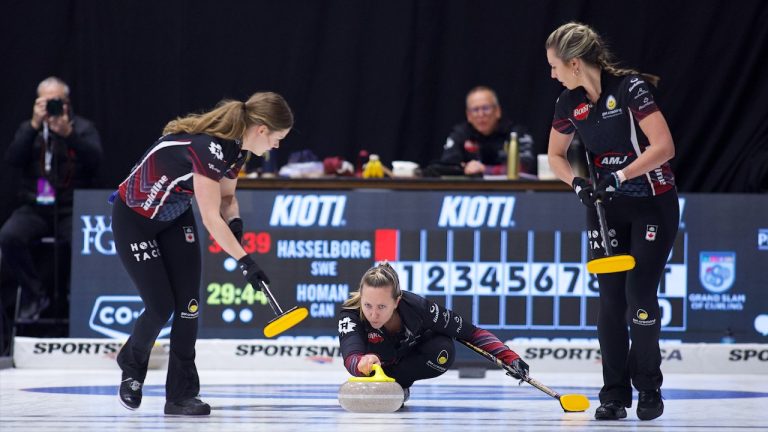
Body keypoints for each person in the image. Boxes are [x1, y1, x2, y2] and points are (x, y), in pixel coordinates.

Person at [111, 92, 293, 415]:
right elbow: (210, 218)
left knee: (189, 305)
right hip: (134, 219)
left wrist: (235, 223)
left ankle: (181, 395)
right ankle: (132, 365)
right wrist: (246, 263)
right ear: (262, 129)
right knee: (160, 306)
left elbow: (226, 200)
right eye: (278, 139)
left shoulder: (237, 151)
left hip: (173, 216)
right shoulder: (209, 149)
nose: (276, 147)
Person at [545, 22, 678, 421]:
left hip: (651, 202)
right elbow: (555, 156)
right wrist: (578, 184)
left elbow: (665, 147)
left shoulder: (631, 89)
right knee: (610, 302)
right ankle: (614, 394)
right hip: (604, 208)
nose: (551, 74)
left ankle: (649, 387)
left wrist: (619, 176)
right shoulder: (568, 103)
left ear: (573, 63)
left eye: (553, 66)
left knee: (639, 294)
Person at [337, 262, 529, 405]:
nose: (373, 314)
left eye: (382, 306)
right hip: (376, 366)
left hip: (412, 359)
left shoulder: (420, 308)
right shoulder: (350, 314)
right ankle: (391, 385)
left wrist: (509, 357)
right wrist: (362, 363)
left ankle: (399, 386)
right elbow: (351, 356)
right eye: (368, 305)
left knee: (442, 351)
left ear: (397, 301)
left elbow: (472, 333)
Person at [0, 76, 102, 321]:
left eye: (56, 101)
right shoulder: (30, 129)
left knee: (83, 246)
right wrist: (33, 126)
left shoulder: (82, 128)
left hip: (72, 207)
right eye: (45, 102)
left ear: (67, 102)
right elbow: (13, 158)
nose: (51, 107)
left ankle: (77, 303)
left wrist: (69, 135)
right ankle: (35, 294)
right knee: (9, 237)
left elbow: (96, 161)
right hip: (35, 206)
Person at [433, 86, 536, 177]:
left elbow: (524, 168)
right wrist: (465, 168)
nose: (481, 114)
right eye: (475, 110)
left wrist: (484, 170)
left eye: (486, 108)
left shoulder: (516, 134)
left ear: (498, 111)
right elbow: (445, 167)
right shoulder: (460, 134)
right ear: (468, 115)